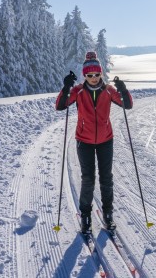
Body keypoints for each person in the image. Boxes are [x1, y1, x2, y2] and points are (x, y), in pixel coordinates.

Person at [55, 51, 133, 234]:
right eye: (89, 75)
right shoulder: (78, 91)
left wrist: (123, 89)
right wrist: (66, 87)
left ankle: (108, 214)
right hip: (84, 141)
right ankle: (86, 216)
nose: (93, 78)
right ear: (84, 75)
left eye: (96, 74)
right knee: (88, 179)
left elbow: (127, 104)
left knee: (106, 178)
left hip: (106, 140)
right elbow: (60, 105)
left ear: (101, 74)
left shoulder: (108, 91)